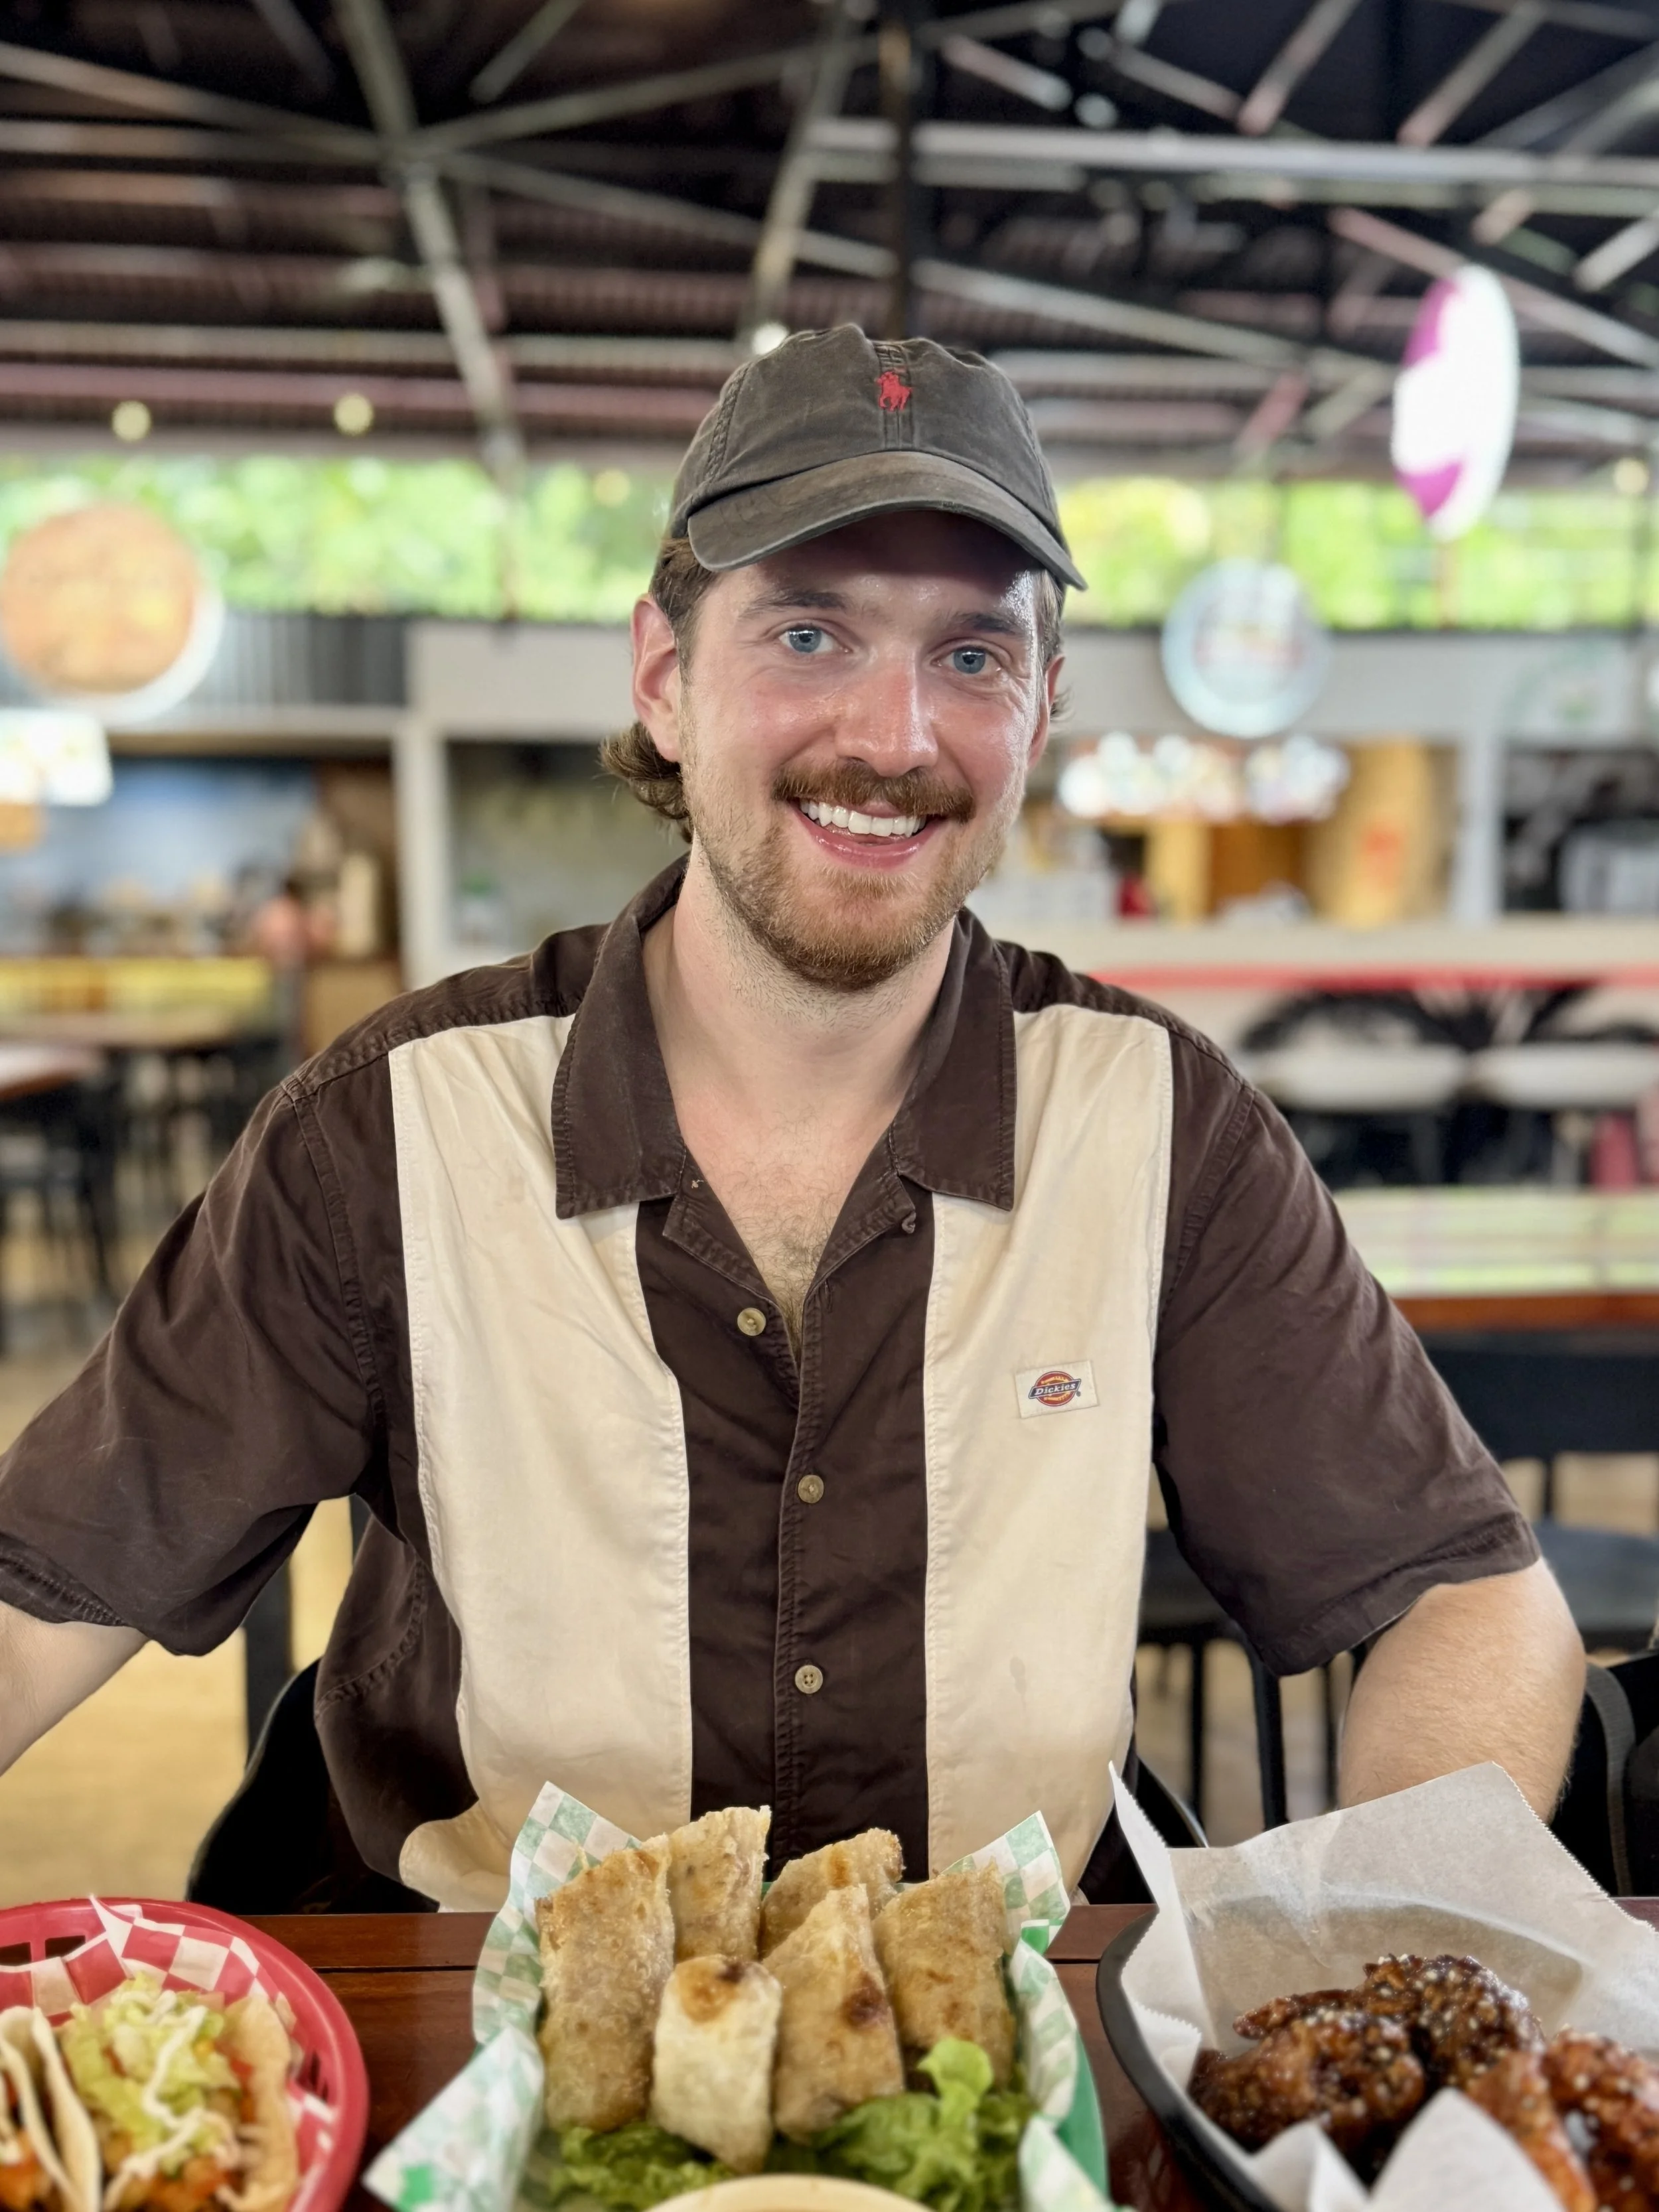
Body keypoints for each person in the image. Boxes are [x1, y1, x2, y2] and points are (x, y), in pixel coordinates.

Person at [0, 328, 1582, 1908]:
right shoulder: (389, 1129)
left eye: (971, 655)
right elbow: (40, 1587)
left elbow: (1470, 1601)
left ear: (1039, 711)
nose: (892, 738)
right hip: (475, 2038)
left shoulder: (1161, 1126)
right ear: (664, 675)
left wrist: (1398, 1953)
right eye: (810, 633)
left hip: (1008, 2047)